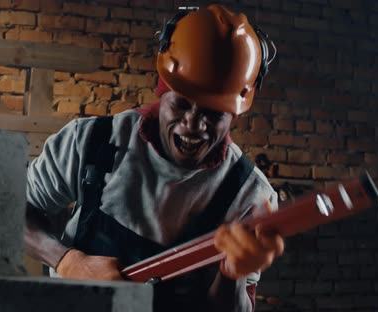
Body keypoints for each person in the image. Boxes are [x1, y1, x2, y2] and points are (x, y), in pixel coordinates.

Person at [24, 4, 284, 312]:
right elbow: (11, 211)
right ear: (162, 92)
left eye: (213, 114)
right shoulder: (92, 143)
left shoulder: (249, 196)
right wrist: (67, 260)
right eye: (181, 105)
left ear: (234, 115)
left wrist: (232, 275)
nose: (193, 125)